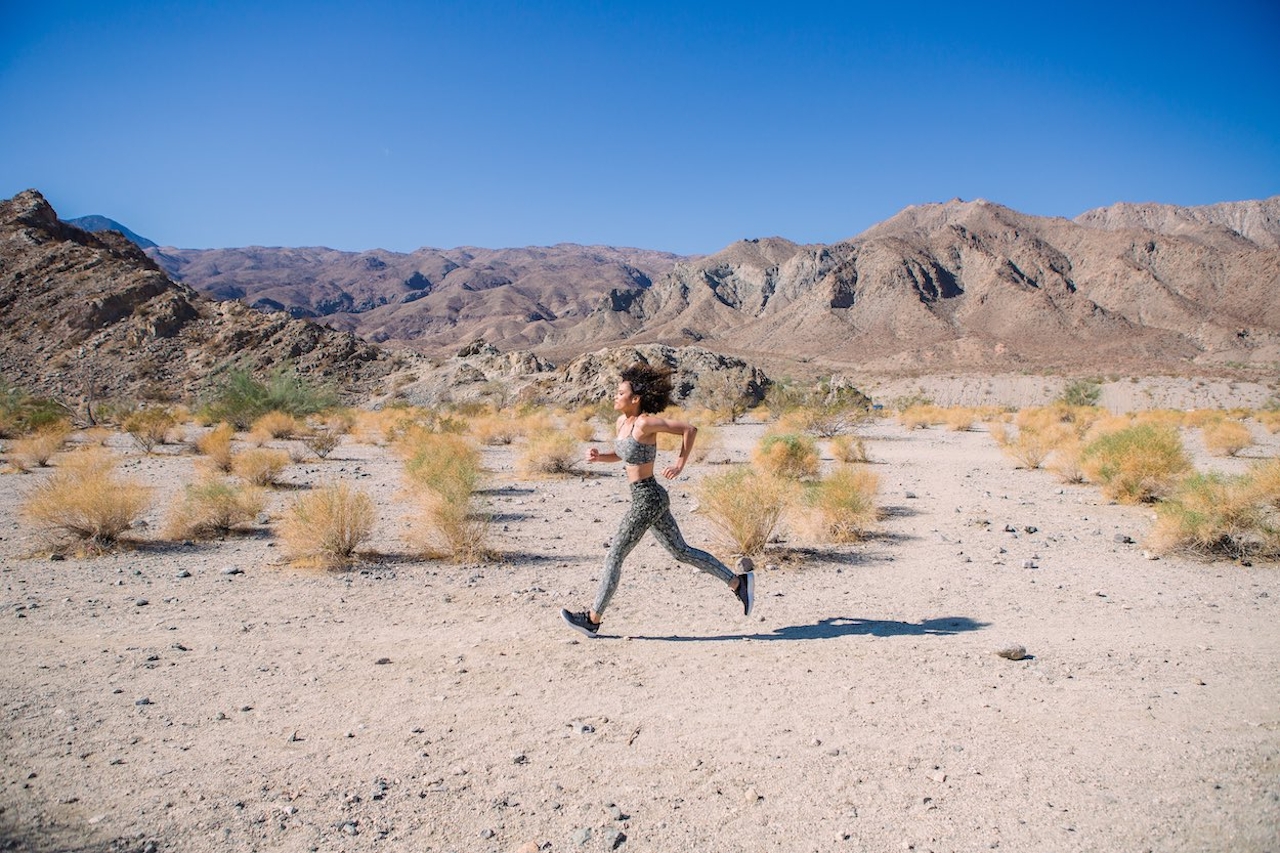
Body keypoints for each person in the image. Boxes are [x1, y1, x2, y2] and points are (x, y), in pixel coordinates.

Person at [561, 362, 754, 638]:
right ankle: (738, 584)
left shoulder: (645, 422)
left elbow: (690, 430)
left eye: (620, 393)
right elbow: (624, 454)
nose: (615, 396)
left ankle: (592, 619)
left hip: (647, 500)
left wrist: (679, 464)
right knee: (681, 552)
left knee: (615, 554)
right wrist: (600, 457)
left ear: (635, 399)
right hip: (648, 498)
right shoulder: (622, 423)